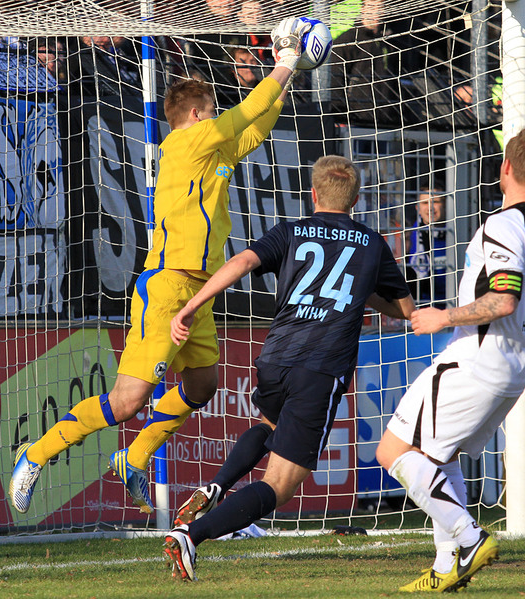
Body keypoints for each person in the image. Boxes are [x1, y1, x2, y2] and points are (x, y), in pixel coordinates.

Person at [8, 18, 316, 516]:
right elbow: (247, 111)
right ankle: (36, 454)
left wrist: (293, 72)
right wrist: (283, 62)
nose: (218, 118)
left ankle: (133, 458)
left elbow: (255, 127)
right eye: (212, 112)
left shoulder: (208, 151)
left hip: (200, 290)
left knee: (202, 386)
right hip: (169, 285)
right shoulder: (187, 142)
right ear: (196, 114)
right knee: (128, 401)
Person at [162, 154, 414, 581]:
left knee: (268, 422)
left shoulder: (291, 231)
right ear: (356, 198)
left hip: (275, 358)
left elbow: (242, 262)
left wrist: (191, 305)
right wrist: (361, 289)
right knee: (279, 485)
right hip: (320, 367)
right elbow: (405, 309)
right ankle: (193, 534)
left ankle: (218, 486)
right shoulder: (372, 244)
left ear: (313, 194)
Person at [374, 128, 525, 593]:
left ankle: (470, 540)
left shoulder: (503, 225)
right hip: (510, 368)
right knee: (438, 454)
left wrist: (443, 316)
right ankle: (445, 563)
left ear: (506, 168)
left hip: (475, 360)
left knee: (391, 451)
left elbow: (505, 299)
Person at [405, 187, 449, 308]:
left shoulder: (455, 233)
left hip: (453, 303)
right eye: (425, 203)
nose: (430, 207)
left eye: (435, 202)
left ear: (445, 205)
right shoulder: (410, 237)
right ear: (417, 208)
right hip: (423, 307)